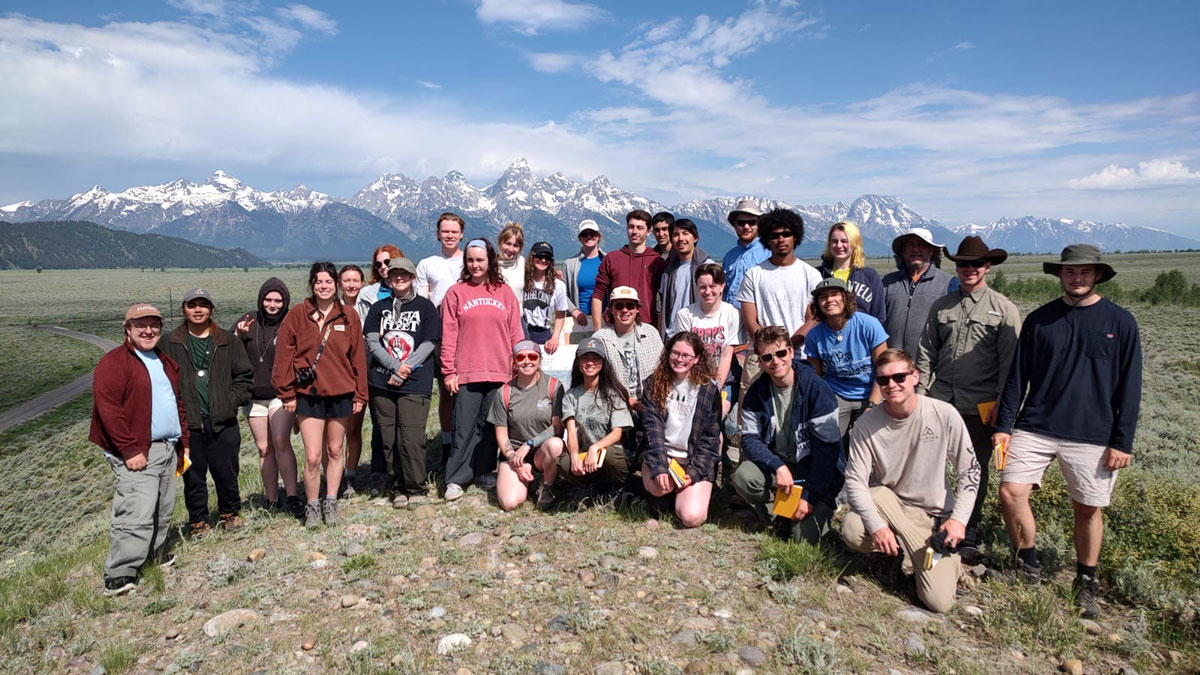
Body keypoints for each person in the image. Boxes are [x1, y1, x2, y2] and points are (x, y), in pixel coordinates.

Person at [994, 245, 1142, 618]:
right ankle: (1027, 565)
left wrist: (1122, 441)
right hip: (1035, 425)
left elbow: (1130, 386)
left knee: (1088, 508)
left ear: (1098, 275)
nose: (1077, 278)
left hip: (1093, 432)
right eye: (1070, 272)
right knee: (1011, 492)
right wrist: (1004, 427)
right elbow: (1017, 378)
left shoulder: (1121, 322)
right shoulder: (1040, 320)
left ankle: (1086, 581)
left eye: (1084, 272)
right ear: (1059, 274)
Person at [841, 349, 980, 613]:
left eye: (899, 377)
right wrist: (878, 527)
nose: (891, 385)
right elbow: (855, 481)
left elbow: (970, 470)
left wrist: (959, 520)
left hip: (931, 517)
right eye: (883, 380)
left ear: (915, 376)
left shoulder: (943, 413)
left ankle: (943, 561)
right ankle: (891, 553)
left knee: (939, 602)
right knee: (853, 527)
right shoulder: (866, 425)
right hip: (890, 505)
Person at [916, 236, 1020, 555]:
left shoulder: (1003, 309)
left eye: (976, 263)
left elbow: (1010, 365)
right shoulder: (942, 307)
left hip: (980, 407)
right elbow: (926, 353)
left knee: (974, 470)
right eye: (963, 263)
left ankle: (967, 531)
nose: (969, 269)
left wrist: (1001, 406)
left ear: (987, 266)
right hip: (941, 401)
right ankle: (929, 521)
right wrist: (920, 397)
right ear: (956, 266)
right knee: (930, 464)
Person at [91, 303, 188, 596]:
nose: (148, 331)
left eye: (154, 325)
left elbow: (176, 403)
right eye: (140, 325)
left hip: (167, 447)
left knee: (162, 507)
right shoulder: (114, 363)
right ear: (128, 329)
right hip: (138, 450)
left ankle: (155, 554)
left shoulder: (163, 361)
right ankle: (120, 573)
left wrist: (183, 443)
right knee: (137, 509)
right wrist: (130, 449)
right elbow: (109, 411)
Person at [272, 262, 368, 528]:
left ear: (336, 285)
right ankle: (312, 505)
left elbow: (358, 357)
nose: (324, 286)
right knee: (313, 456)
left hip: (341, 393)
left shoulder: (348, 315)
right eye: (319, 282)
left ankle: (331, 501)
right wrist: (286, 393)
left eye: (328, 282)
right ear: (312, 285)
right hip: (309, 395)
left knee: (335, 450)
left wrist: (360, 394)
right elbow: (284, 356)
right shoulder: (297, 315)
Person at [732, 326, 843, 543]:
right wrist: (777, 466)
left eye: (781, 353)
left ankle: (819, 511)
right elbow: (750, 439)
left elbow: (827, 452)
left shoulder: (817, 389)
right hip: (782, 467)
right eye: (767, 357)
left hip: (816, 472)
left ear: (791, 351)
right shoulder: (756, 391)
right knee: (743, 476)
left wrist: (809, 496)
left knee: (802, 539)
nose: (776, 361)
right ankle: (778, 518)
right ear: (760, 361)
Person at [163, 288, 253, 535]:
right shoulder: (169, 343)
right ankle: (198, 522)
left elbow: (244, 376)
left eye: (203, 305)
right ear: (184, 309)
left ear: (211, 309)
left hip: (223, 420)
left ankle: (230, 514)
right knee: (193, 475)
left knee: (226, 471)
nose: (198, 310)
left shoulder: (227, 340)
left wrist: (229, 403)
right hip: (188, 422)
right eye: (192, 305)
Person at [440, 238, 524, 501]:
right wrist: (449, 371)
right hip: (467, 371)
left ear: (490, 261)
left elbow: (515, 332)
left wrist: (520, 362)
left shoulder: (504, 292)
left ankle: (483, 470)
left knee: (490, 426)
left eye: (480, 260)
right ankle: (456, 478)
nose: (475, 265)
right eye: (470, 260)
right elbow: (448, 334)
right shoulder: (456, 293)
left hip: (500, 370)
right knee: (463, 426)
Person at [363, 257, 441, 508]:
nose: (399, 278)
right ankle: (397, 487)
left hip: (415, 382)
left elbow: (429, 343)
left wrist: (404, 370)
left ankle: (416, 487)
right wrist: (394, 366)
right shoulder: (379, 308)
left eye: (404, 274)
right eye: (394, 274)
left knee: (411, 438)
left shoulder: (425, 308)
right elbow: (372, 341)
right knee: (388, 438)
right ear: (388, 277)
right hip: (381, 382)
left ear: (412, 277)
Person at [232, 278, 301, 516]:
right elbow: (230, 352)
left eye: (278, 300)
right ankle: (271, 499)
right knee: (263, 448)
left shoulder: (290, 322)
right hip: (254, 397)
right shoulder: (248, 321)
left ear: (285, 302)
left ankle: (292, 495)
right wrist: (238, 335)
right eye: (268, 299)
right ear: (261, 300)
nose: (272, 305)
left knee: (281, 441)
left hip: (281, 395)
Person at [737, 208, 823, 399]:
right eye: (774, 235)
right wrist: (769, 350)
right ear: (767, 239)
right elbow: (750, 321)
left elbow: (813, 319)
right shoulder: (754, 274)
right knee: (752, 409)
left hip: (798, 355)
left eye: (786, 233)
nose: (781, 239)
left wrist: (787, 347)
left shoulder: (810, 275)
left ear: (795, 236)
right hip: (759, 356)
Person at [640, 332, 723, 528]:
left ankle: (684, 495)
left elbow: (710, 439)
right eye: (675, 353)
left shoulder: (709, 390)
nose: (679, 359)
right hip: (665, 455)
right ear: (668, 353)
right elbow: (652, 430)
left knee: (692, 517)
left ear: (697, 359)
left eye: (686, 355)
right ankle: (664, 495)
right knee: (659, 487)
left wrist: (693, 473)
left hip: (692, 458)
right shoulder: (653, 383)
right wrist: (660, 466)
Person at [804, 278, 888, 447]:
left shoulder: (869, 324)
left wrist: (872, 405)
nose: (829, 300)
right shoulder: (814, 335)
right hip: (837, 393)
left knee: (867, 442)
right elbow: (816, 376)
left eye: (835, 294)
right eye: (823, 297)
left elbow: (884, 370)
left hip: (869, 391)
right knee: (830, 442)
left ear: (846, 298)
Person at [488, 340, 565, 511]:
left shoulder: (553, 386)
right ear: (514, 362)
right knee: (510, 503)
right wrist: (514, 461)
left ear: (539, 360)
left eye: (532, 357)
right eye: (521, 357)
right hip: (515, 453)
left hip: (542, 451)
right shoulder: (504, 392)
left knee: (556, 445)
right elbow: (502, 434)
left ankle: (547, 485)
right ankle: (527, 477)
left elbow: (557, 427)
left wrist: (529, 444)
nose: (527, 361)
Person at [416, 213, 466, 460]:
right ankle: (447, 442)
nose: (449, 235)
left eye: (454, 231)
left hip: (468, 334)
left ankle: (465, 441)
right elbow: (423, 302)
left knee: (467, 391)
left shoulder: (471, 261)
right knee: (446, 390)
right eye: (445, 231)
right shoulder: (427, 264)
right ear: (438, 234)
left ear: (461, 234)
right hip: (440, 335)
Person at [557, 338, 634, 494]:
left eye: (596, 359)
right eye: (585, 358)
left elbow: (617, 433)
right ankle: (590, 488)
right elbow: (571, 433)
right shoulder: (571, 396)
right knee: (564, 463)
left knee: (610, 456)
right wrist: (574, 455)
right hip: (586, 456)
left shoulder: (615, 394)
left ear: (603, 363)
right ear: (578, 363)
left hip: (609, 454)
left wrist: (595, 447)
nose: (590, 363)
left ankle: (619, 489)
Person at [674, 263, 743, 411]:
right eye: (702, 287)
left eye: (712, 286)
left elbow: (726, 355)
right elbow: (685, 355)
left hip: (725, 379)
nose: (707, 292)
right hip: (692, 379)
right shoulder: (685, 315)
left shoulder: (732, 314)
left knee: (717, 413)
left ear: (722, 286)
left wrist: (715, 388)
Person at [882, 228, 957, 353]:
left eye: (922, 245)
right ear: (903, 251)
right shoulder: (886, 283)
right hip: (892, 362)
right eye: (910, 245)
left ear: (931, 250)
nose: (915, 249)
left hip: (931, 363)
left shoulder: (949, 284)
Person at [591, 209, 668, 329]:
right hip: (615, 326)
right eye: (631, 227)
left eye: (640, 228)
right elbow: (598, 295)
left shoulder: (657, 261)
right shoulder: (612, 258)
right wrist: (597, 329)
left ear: (648, 232)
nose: (635, 231)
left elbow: (665, 299)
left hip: (647, 327)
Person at [592, 286, 663, 411]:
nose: (625, 310)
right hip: (614, 405)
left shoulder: (652, 333)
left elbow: (662, 369)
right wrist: (628, 401)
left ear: (637, 309)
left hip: (651, 402)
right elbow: (597, 379)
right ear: (611, 309)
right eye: (619, 306)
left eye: (630, 306)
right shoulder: (600, 338)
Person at [817, 221, 886, 324]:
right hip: (825, 333)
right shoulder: (817, 274)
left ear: (855, 243)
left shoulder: (869, 276)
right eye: (834, 241)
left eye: (844, 241)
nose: (839, 245)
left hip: (861, 333)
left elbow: (879, 317)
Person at [339, 263, 367, 493]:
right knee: (337, 428)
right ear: (340, 283)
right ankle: (335, 473)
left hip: (363, 372)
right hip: (338, 374)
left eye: (355, 280)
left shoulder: (368, 306)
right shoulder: (331, 308)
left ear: (362, 283)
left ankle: (350, 474)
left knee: (354, 428)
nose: (351, 285)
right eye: (347, 280)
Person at [659, 218, 714, 337]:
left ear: (695, 238)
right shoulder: (668, 271)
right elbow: (663, 306)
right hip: (672, 334)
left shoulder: (708, 267)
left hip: (700, 333)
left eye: (685, 233)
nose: (680, 238)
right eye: (675, 235)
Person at [720, 199, 769, 309]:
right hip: (729, 315)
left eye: (751, 222)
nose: (746, 227)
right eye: (741, 223)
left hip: (758, 315)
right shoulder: (729, 256)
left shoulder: (769, 253)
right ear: (735, 225)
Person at [521, 241, 570, 352]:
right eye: (540, 256)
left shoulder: (558, 285)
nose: (543, 260)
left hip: (543, 333)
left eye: (547, 257)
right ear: (532, 257)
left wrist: (555, 337)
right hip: (522, 330)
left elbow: (560, 314)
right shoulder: (521, 281)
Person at [563, 219, 604, 333]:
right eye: (585, 234)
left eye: (592, 233)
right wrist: (574, 311)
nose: (589, 237)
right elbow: (562, 293)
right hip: (579, 322)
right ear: (580, 238)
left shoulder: (608, 260)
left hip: (605, 319)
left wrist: (610, 310)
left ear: (598, 236)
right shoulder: (569, 264)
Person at [357, 245, 403, 320]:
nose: (383, 267)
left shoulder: (416, 291)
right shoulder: (365, 294)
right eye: (378, 264)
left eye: (387, 262)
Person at [497, 222, 527, 297]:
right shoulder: (490, 264)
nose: (511, 249)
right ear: (500, 242)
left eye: (515, 246)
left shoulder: (521, 262)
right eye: (508, 244)